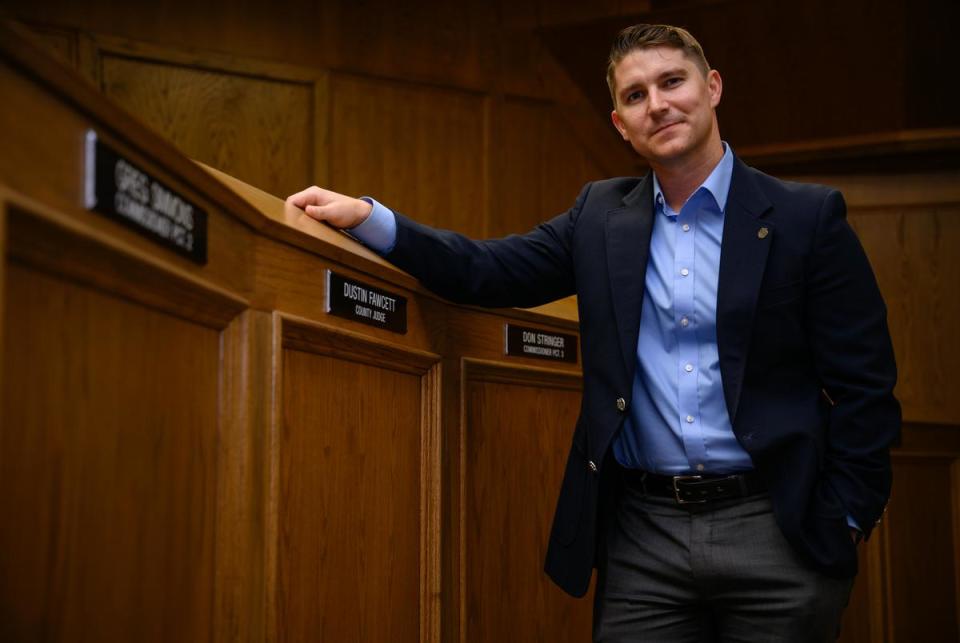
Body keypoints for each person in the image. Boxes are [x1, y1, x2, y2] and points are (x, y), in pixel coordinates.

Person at [286, 23, 900, 642]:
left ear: (711, 88)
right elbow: (488, 270)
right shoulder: (601, 216)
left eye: (671, 81)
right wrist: (372, 219)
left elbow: (866, 385)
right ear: (620, 124)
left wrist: (847, 515)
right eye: (635, 96)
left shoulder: (805, 217)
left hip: (778, 527)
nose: (657, 104)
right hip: (643, 539)